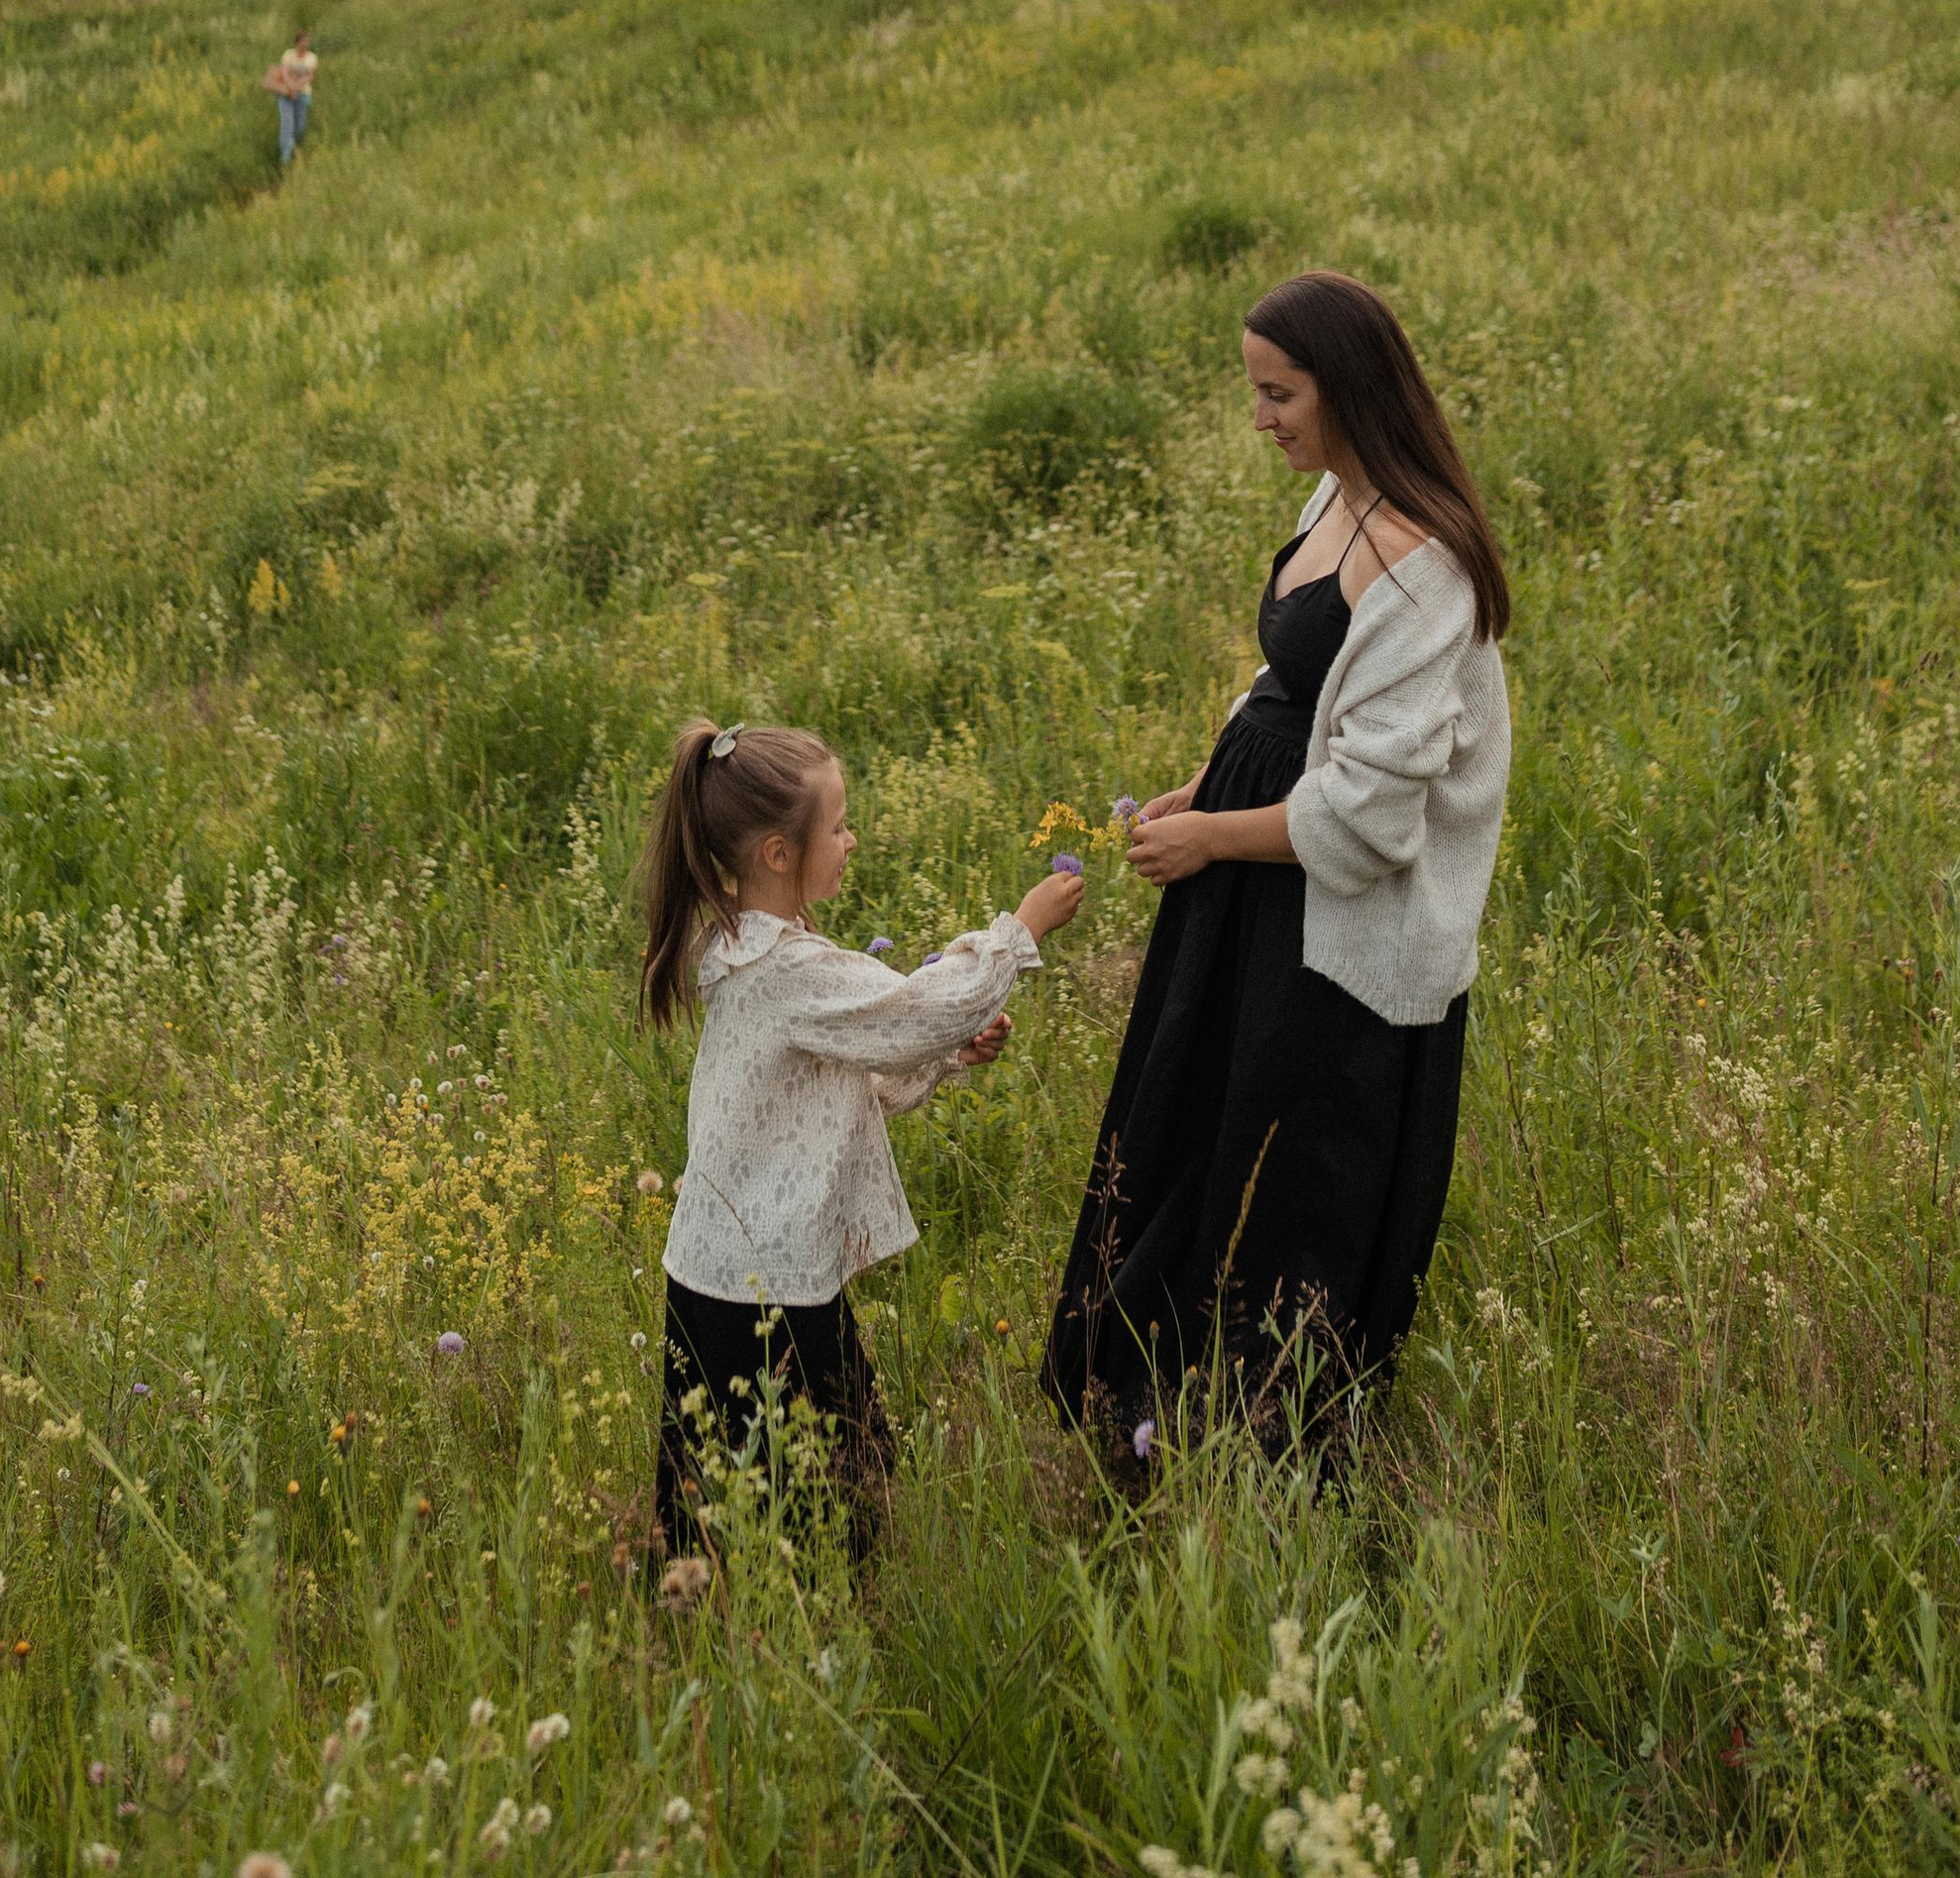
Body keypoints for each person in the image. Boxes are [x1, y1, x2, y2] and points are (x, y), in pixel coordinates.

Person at [1042, 269, 1511, 1461]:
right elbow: (1293, 685)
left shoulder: (1422, 564)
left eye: (1278, 394)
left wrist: (1212, 835)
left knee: (1292, 1173)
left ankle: (1269, 1442)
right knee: (1199, 1129)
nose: (1260, 418)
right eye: (1255, 391)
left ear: (1346, 387)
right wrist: (1210, 780)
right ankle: (1152, 1409)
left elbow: (1368, 817)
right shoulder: (1335, 500)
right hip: (1257, 883)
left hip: (1336, 920)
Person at [641, 720, 1083, 1556]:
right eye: (839, 827)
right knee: (817, 1500)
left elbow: (840, 1076)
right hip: (764, 1287)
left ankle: (733, 1603)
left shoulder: (748, 946)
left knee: (734, 1489)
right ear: (779, 853)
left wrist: (946, 1054)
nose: (852, 841)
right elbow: (917, 1010)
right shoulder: (789, 970)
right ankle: (812, 1608)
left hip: (726, 1272)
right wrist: (1016, 936)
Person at [263, 32, 318, 168]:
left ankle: (296, 150)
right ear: (297, 43)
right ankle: (285, 159)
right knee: (287, 124)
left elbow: (309, 76)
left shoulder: (311, 57)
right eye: (303, 42)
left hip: (303, 94)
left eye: (307, 42)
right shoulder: (288, 55)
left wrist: (296, 88)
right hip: (285, 94)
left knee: (300, 126)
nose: (306, 45)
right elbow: (284, 71)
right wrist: (290, 87)